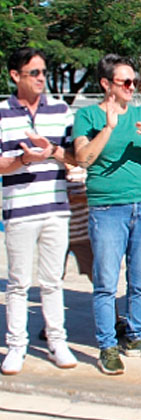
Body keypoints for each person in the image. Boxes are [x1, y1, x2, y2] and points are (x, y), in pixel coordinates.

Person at [73, 53, 141, 375]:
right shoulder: (87, 116)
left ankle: (138, 335)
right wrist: (109, 129)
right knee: (105, 282)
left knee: (140, 279)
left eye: (134, 81)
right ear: (106, 84)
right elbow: (83, 159)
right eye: (125, 82)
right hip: (107, 208)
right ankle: (107, 345)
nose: (132, 87)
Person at [0, 47, 78, 375]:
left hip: (56, 208)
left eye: (44, 72)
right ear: (15, 75)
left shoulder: (61, 111)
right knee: (19, 282)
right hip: (19, 210)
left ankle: (57, 342)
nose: (41, 78)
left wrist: (53, 152)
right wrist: (23, 160)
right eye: (34, 73)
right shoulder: (2, 111)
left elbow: (76, 157)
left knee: (52, 281)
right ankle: (16, 346)